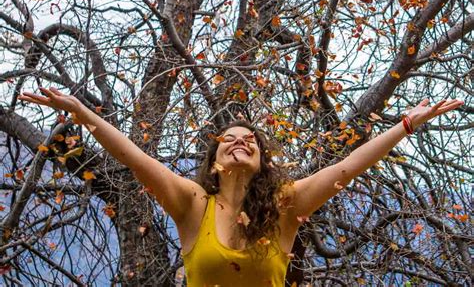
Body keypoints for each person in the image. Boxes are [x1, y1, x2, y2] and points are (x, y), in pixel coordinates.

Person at [18, 87, 463, 286]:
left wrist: (405, 125)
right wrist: (83, 113)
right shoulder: (192, 205)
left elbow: (348, 165)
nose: (240, 142)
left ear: (262, 160)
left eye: (250, 140)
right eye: (228, 140)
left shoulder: (286, 206)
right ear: (213, 163)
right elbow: (135, 156)